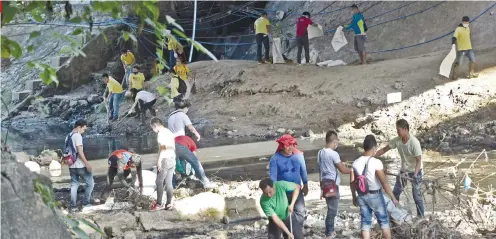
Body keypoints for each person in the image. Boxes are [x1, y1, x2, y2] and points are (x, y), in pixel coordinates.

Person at [374, 119, 424, 217]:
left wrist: (415, 175)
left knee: (416, 196)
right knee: (396, 192)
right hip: (404, 170)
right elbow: (384, 149)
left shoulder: (414, 143)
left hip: (416, 171)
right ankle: (393, 214)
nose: (397, 132)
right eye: (397, 130)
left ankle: (421, 217)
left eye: (398, 130)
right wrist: (371, 157)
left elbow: (419, 160)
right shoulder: (397, 140)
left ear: (405, 129)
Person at [351, 135, 398, 239]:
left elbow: (353, 182)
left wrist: (354, 197)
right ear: (373, 148)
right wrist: (393, 198)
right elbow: (384, 183)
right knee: (384, 222)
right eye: (376, 148)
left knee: (365, 223)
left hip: (362, 196)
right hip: (375, 196)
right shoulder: (376, 162)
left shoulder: (355, 163)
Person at [269, 134, 308, 232]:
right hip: (282, 192)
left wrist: (306, 184)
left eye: (292, 145)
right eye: (287, 145)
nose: (290, 147)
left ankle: (297, 231)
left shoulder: (299, 156)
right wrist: (273, 191)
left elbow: (303, 171)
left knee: (300, 212)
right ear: (282, 146)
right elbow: (273, 177)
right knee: (284, 214)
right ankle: (288, 233)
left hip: (297, 189)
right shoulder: (275, 158)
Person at [317, 131, 351, 239]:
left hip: (325, 184)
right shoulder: (334, 154)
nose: (337, 144)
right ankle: (329, 233)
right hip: (333, 185)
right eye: (337, 142)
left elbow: (321, 170)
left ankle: (330, 231)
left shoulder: (320, 153)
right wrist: (353, 170)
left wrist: (321, 188)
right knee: (332, 210)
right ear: (334, 141)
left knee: (330, 208)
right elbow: (343, 170)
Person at [66, 119, 94, 212]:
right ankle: (86, 203)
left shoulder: (68, 136)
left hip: (71, 165)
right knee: (90, 183)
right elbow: (80, 152)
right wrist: (87, 164)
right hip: (80, 165)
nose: (84, 131)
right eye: (84, 129)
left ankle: (73, 206)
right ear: (79, 127)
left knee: (74, 184)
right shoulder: (78, 136)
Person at [150, 117, 176, 211]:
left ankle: (159, 204)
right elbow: (172, 147)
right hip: (172, 159)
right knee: (169, 183)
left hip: (165, 159)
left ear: (155, 126)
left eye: (153, 128)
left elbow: (163, 148)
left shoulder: (161, 134)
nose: (153, 130)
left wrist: (159, 161)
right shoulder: (169, 131)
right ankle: (169, 204)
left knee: (159, 181)